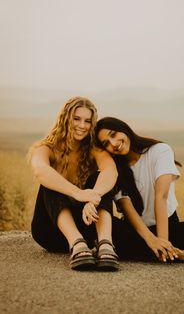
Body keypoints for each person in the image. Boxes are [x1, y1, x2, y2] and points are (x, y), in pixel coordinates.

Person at [94, 117, 184, 265]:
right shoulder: (114, 169)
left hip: (167, 225)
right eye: (106, 143)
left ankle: (160, 251)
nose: (114, 143)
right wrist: (151, 240)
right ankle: (183, 255)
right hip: (137, 230)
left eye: (113, 134)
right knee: (107, 231)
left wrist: (162, 241)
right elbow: (127, 208)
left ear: (124, 129)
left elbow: (161, 196)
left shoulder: (160, 151)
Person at [29, 97, 119, 271]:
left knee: (100, 180)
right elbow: (40, 170)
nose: (82, 125)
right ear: (66, 118)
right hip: (50, 232)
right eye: (76, 119)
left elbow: (111, 171)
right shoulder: (46, 147)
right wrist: (77, 193)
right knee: (51, 179)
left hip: (87, 225)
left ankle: (106, 244)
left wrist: (93, 197)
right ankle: (76, 244)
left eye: (87, 121)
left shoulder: (93, 149)